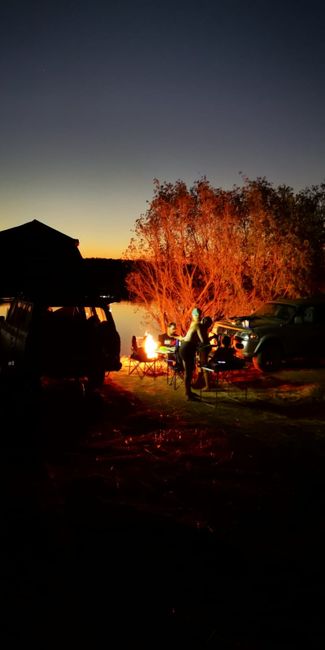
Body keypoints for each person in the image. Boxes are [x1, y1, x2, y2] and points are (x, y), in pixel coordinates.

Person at [179, 307, 205, 400]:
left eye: (199, 315)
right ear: (193, 316)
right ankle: (188, 395)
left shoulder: (192, 323)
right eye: (196, 315)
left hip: (184, 347)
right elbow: (202, 340)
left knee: (188, 372)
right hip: (187, 348)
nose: (198, 316)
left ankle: (188, 392)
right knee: (188, 372)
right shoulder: (197, 325)